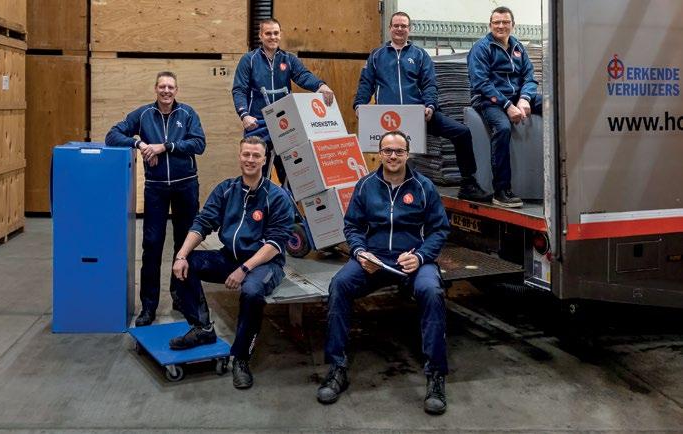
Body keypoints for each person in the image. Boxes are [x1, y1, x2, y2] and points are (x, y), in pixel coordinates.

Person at [316, 130, 451, 415]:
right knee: (339, 285)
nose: (393, 156)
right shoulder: (366, 185)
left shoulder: (424, 186)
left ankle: (436, 376)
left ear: (407, 154)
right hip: (374, 259)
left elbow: (439, 230)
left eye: (399, 151)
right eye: (387, 150)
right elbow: (352, 226)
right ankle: (337, 368)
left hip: (412, 259)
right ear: (379, 153)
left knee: (431, 291)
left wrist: (420, 256)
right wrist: (360, 252)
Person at [169, 136, 294, 390]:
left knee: (251, 292)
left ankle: (241, 358)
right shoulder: (227, 190)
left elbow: (275, 243)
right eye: (246, 154)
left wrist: (244, 269)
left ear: (264, 160)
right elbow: (202, 223)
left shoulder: (277, 197)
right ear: (239, 157)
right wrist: (181, 255)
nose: (250, 160)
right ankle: (202, 328)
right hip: (230, 257)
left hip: (265, 264)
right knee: (186, 263)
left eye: (256, 156)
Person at [354, 11, 490, 203]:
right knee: (393, 154)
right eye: (396, 25)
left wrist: (430, 106)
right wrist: (359, 105)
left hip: (419, 116)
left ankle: (468, 183)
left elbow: (429, 84)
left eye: (404, 26)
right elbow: (365, 83)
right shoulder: (377, 56)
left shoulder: (420, 55)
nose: (400, 29)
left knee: (462, 132)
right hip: (389, 120)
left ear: (409, 29)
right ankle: (384, 190)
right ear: (390, 28)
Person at [105, 71, 206, 327]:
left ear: (176, 90)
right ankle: (148, 307)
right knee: (152, 246)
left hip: (186, 186)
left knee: (184, 244)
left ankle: (181, 297)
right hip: (156, 189)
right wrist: (139, 144)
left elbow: (199, 144)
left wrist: (166, 146)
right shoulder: (143, 114)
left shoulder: (187, 114)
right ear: (155, 89)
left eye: (170, 87)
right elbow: (112, 135)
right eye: (162, 86)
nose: (166, 91)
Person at [232, 18, 335, 184]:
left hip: (284, 125)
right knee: (256, 175)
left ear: (280, 35)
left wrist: (320, 86)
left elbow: (303, 75)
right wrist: (244, 115)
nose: (272, 37)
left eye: (276, 33)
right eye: (268, 33)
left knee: (291, 176)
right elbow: (239, 90)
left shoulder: (289, 59)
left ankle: (288, 201)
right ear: (260, 36)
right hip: (257, 124)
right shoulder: (249, 60)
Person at [467, 6, 542, 208]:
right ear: (490, 25)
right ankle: (501, 190)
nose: (501, 26)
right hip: (488, 99)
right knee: (502, 128)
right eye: (497, 22)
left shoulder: (518, 47)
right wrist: (507, 105)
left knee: (554, 106)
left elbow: (529, 77)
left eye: (505, 22)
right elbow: (481, 83)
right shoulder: (481, 48)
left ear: (513, 25)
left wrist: (525, 98)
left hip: (516, 97)